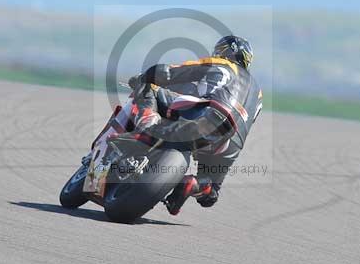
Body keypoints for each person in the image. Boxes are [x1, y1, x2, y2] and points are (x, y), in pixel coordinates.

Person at [110, 35, 262, 215]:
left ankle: (145, 130)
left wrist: (145, 77)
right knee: (211, 193)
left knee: (149, 87)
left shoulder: (222, 65)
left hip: (208, 117)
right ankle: (193, 185)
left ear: (225, 51)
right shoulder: (258, 93)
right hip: (231, 142)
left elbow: (170, 73)